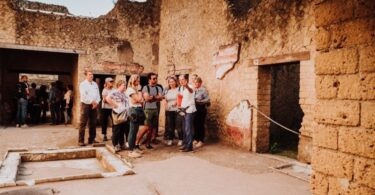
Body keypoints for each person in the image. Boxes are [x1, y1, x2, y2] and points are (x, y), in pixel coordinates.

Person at [136, 73, 163, 150]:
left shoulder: (158, 88)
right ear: (149, 80)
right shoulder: (145, 87)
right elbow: (147, 99)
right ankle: (136, 142)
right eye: (153, 78)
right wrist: (156, 97)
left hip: (155, 109)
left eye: (156, 78)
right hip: (147, 109)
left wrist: (153, 97)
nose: (155, 80)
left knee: (151, 128)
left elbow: (161, 98)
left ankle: (148, 143)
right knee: (146, 127)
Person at [78, 70, 101, 146]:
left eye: (92, 74)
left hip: (94, 105)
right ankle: (81, 141)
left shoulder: (95, 84)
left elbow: (98, 95)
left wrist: (97, 102)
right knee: (83, 123)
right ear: (86, 75)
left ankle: (92, 139)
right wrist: (92, 101)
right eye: (90, 74)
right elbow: (84, 95)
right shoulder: (83, 84)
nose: (91, 76)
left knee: (93, 123)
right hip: (85, 104)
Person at [106, 80, 129, 153]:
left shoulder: (125, 94)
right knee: (117, 129)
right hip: (117, 113)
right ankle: (115, 144)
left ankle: (122, 144)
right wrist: (113, 105)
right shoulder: (114, 92)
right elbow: (107, 98)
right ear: (119, 86)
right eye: (123, 85)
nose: (125, 86)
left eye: (125, 85)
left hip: (124, 113)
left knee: (123, 129)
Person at [126, 74, 144, 158]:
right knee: (132, 131)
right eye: (137, 80)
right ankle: (130, 150)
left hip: (137, 109)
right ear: (133, 81)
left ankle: (133, 148)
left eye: (139, 80)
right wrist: (140, 92)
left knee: (135, 130)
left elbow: (141, 100)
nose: (139, 82)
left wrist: (138, 99)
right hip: (133, 110)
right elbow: (139, 99)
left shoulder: (134, 90)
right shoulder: (130, 90)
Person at [178, 74, 196, 152]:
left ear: (186, 80)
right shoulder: (181, 88)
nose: (181, 81)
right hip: (183, 110)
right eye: (180, 80)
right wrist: (179, 106)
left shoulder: (190, 86)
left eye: (182, 79)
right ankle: (185, 144)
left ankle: (189, 146)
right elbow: (181, 98)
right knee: (184, 129)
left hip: (190, 110)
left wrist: (187, 86)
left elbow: (191, 91)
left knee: (188, 129)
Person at [163, 76, 183, 146]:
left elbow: (181, 97)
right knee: (170, 126)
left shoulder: (179, 89)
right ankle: (170, 139)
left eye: (173, 81)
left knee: (179, 126)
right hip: (169, 110)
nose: (171, 83)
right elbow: (164, 99)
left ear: (175, 82)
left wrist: (176, 102)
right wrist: (165, 104)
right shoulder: (167, 90)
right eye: (170, 82)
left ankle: (181, 139)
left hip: (177, 110)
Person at [193, 77, 210, 148]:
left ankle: (201, 140)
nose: (196, 83)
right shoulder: (194, 90)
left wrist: (199, 101)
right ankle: (196, 139)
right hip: (194, 108)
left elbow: (208, 100)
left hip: (201, 108)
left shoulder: (203, 90)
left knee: (200, 124)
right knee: (195, 124)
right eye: (195, 82)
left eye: (197, 82)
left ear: (200, 83)